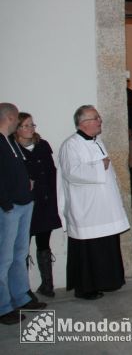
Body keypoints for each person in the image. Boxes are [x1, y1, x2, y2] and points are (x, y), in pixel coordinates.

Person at [57, 105, 130, 300]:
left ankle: (107, 281)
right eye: (96, 118)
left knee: (105, 247)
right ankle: (85, 288)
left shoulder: (97, 141)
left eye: (98, 117)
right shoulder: (70, 145)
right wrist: (99, 166)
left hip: (103, 208)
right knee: (89, 250)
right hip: (87, 210)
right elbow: (71, 173)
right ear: (83, 123)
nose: (100, 121)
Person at [0, 103, 46, 325]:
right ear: (10, 118)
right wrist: (6, 204)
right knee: (4, 258)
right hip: (8, 208)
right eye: (18, 119)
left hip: (24, 203)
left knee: (19, 254)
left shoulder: (10, 141)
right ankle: (2, 306)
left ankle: (21, 296)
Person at [14, 113, 62, 297]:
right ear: (17, 128)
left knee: (44, 244)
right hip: (26, 205)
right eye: (25, 125)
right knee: (22, 247)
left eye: (31, 124)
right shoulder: (13, 148)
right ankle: (23, 289)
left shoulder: (42, 145)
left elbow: (51, 172)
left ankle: (47, 284)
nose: (30, 128)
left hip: (46, 202)